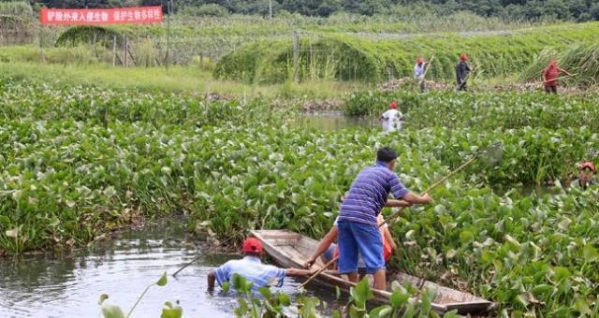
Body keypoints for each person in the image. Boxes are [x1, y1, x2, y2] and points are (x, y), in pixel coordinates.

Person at [335, 147, 432, 291]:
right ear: (393, 162)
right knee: (377, 261)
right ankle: (381, 297)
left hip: (344, 216)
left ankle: (354, 292)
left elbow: (377, 200)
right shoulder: (389, 175)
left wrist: (402, 204)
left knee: (350, 260)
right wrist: (424, 199)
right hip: (363, 218)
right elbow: (408, 196)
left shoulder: (365, 171)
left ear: (376, 158)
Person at [304, 209, 408, 278]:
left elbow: (327, 240)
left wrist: (313, 257)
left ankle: (337, 280)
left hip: (355, 263)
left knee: (326, 250)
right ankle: (360, 281)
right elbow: (393, 246)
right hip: (374, 263)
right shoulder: (378, 216)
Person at [207, 237, 316, 292]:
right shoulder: (270, 270)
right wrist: (310, 272)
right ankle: (264, 283)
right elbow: (291, 272)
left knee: (274, 281)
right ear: (262, 253)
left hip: (230, 303)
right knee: (274, 281)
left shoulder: (231, 264)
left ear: (243, 251)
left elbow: (211, 275)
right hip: (255, 304)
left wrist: (210, 291)